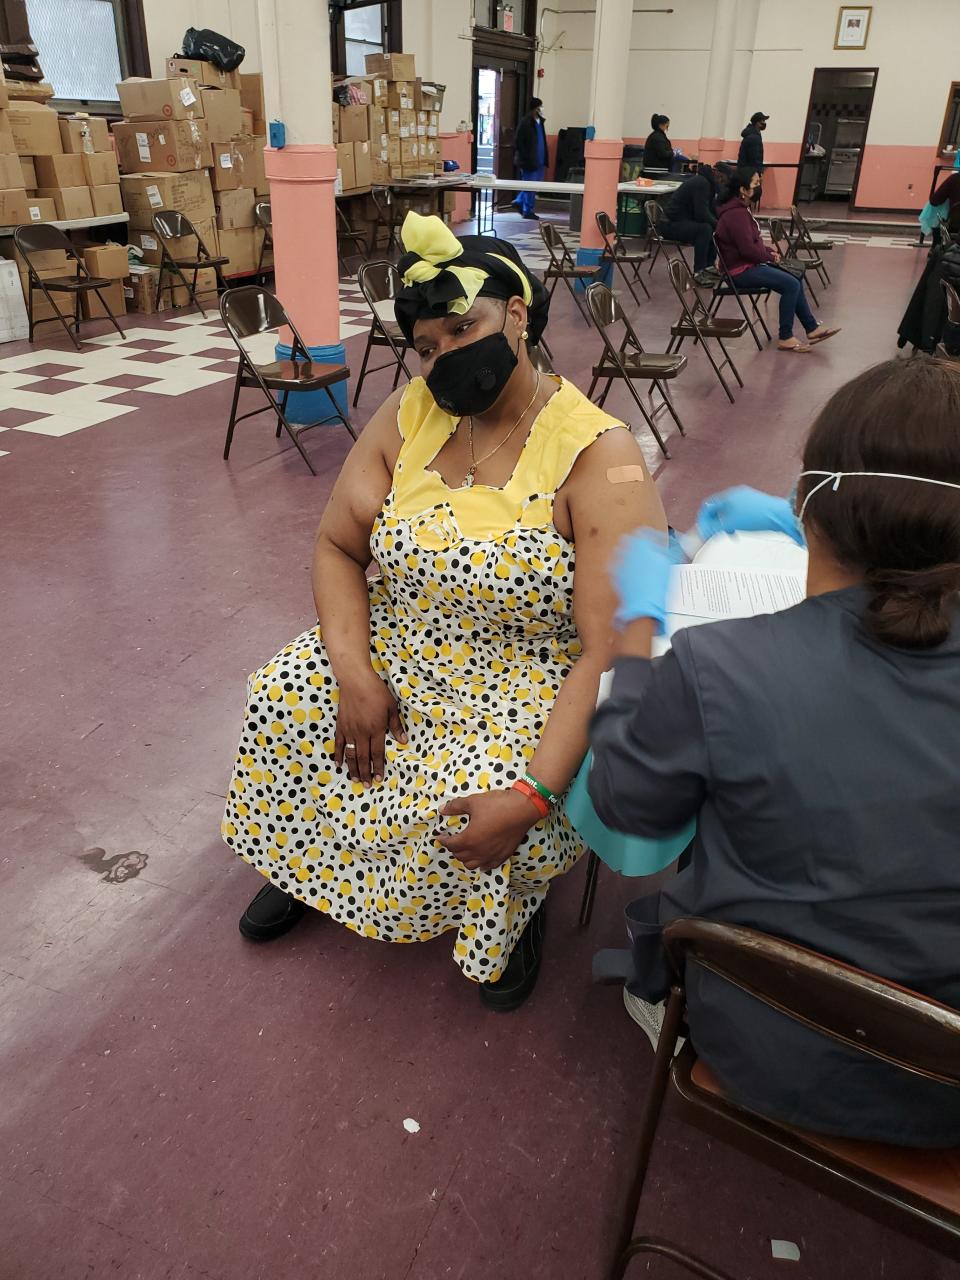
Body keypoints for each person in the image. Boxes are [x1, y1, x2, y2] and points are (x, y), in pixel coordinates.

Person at [222, 212, 665, 1012]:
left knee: (479, 788)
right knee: (286, 695)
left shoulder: (597, 452)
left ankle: (508, 910)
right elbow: (337, 546)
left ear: (518, 314)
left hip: (526, 670)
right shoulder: (409, 415)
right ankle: (310, 863)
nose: (445, 360)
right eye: (427, 348)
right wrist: (354, 670)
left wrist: (531, 799)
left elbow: (611, 648)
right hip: (403, 638)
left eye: (464, 329)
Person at [588, 355, 960, 1147]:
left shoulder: (719, 667)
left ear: (811, 505)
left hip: (775, 1053)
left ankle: (669, 1010)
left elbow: (631, 808)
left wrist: (635, 634)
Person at [716, 166, 839, 352]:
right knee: (790, 284)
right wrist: (769, 257)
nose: (759, 187)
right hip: (739, 271)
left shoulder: (741, 210)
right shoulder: (736, 214)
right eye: (755, 184)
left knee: (795, 277)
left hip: (749, 264)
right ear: (742, 190)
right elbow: (747, 249)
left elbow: (752, 243)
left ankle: (811, 328)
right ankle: (786, 336)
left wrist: (768, 251)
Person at [658, 162, 720, 285]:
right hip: (669, 224)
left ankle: (709, 266)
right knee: (705, 229)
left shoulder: (707, 183)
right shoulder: (701, 183)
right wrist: (719, 224)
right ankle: (698, 272)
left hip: (680, 221)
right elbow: (701, 214)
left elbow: (711, 211)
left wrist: (720, 222)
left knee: (713, 226)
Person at [513, 97, 548, 219]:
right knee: (530, 186)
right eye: (540, 107)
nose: (541, 109)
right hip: (529, 161)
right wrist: (525, 156)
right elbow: (518, 141)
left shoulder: (540, 122)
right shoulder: (526, 122)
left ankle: (518, 201)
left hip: (540, 159)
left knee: (535, 185)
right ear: (535, 108)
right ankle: (527, 210)